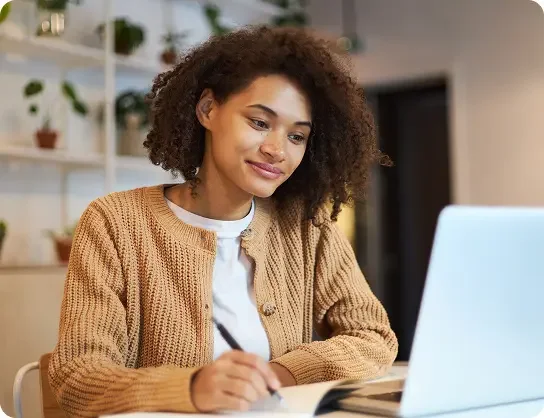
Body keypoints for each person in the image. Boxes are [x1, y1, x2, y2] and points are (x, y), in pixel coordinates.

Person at [48, 25, 398, 417]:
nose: (276, 150)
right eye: (260, 123)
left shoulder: (305, 224)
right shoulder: (116, 222)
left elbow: (373, 336)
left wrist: (281, 372)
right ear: (208, 110)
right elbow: (78, 378)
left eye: (297, 136)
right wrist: (193, 389)